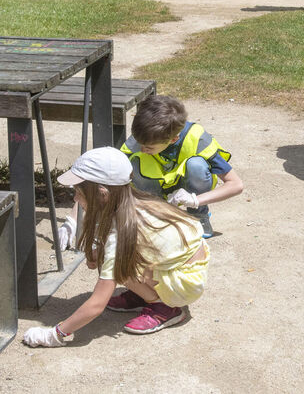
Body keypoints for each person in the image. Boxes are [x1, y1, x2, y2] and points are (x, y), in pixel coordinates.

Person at [22, 146, 209, 346]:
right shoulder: (132, 203)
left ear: (102, 194)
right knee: (111, 259)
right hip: (185, 265)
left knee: (117, 265)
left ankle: (164, 308)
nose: (75, 198)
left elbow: (96, 305)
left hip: (185, 283)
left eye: (79, 192)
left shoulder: (120, 234)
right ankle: (146, 295)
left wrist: (54, 334)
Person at [120, 95, 243, 239]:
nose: (141, 149)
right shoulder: (145, 136)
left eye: (148, 147)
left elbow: (236, 185)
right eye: (139, 142)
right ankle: (156, 214)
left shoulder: (197, 139)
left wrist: (195, 201)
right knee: (133, 162)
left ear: (173, 139)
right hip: (155, 189)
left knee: (196, 165)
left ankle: (198, 216)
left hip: (189, 189)